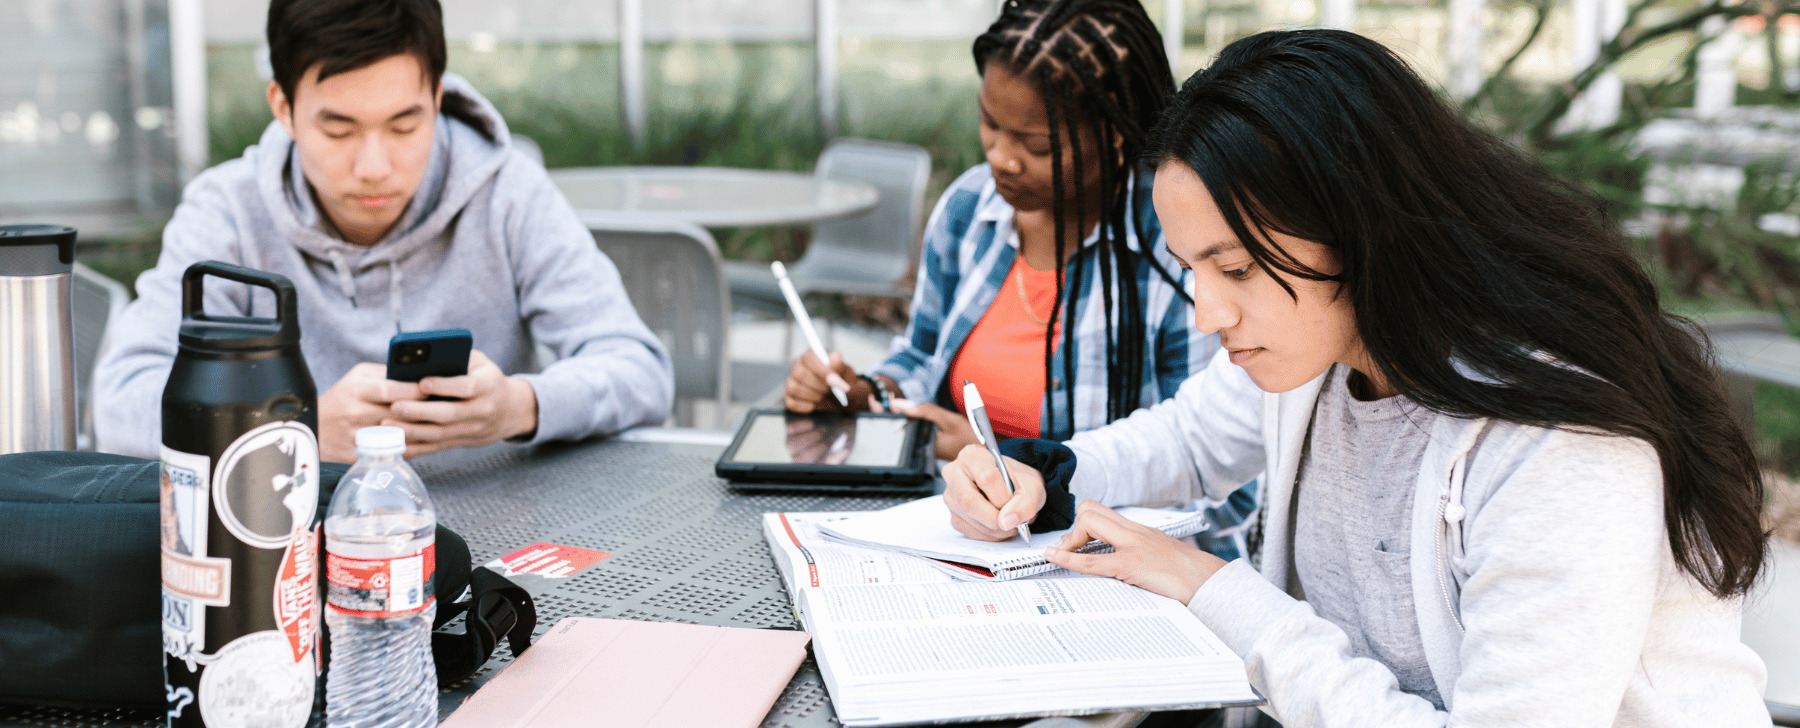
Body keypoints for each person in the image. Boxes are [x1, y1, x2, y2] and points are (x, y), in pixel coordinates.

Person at [943, 29, 1785, 728]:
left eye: (1234, 270)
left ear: (1360, 226)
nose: (1207, 313)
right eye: (1192, 268)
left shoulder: (1558, 443)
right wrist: (1038, 472)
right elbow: (1191, 439)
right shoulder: (1327, 341)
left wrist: (1214, 590)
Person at [95, 0, 672, 463]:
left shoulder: (508, 192)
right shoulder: (227, 212)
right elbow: (121, 402)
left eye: (404, 125)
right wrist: (296, 429)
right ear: (283, 106)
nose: (374, 166)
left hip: (500, 536)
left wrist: (520, 406)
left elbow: (639, 368)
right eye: (339, 129)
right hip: (292, 544)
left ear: (438, 97)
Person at [784, 0, 1212, 462]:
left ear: (1113, 132)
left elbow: (1209, 471)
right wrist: (865, 394)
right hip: (948, 516)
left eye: (1037, 145)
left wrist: (1007, 460)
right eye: (990, 123)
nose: (1000, 158)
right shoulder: (969, 209)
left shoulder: (1175, 248)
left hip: (1090, 533)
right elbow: (923, 357)